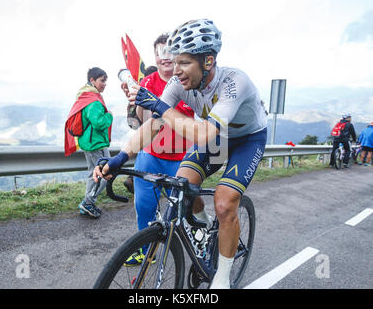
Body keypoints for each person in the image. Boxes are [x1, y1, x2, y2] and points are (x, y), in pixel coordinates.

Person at [94, 19, 268, 289]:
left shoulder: (234, 83)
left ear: (208, 61)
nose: (176, 71)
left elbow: (201, 135)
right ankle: (204, 223)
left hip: (246, 140)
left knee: (224, 203)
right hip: (217, 136)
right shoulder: (178, 83)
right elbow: (154, 124)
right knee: (183, 186)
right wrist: (121, 156)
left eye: (184, 63)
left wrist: (160, 106)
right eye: (174, 62)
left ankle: (221, 277)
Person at [121, 33, 195, 266]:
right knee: (144, 207)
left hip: (181, 157)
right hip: (150, 155)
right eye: (158, 53)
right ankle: (146, 251)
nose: (164, 58)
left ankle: (198, 245)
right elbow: (140, 124)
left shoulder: (188, 82)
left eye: (169, 52)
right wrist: (133, 104)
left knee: (183, 212)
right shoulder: (147, 82)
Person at [69, 67, 113, 218]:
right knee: (101, 176)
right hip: (94, 144)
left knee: (98, 174)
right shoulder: (93, 100)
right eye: (102, 80)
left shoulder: (89, 96)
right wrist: (110, 116)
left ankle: (88, 203)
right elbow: (99, 123)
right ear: (92, 80)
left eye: (105, 80)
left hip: (94, 142)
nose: (104, 84)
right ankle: (88, 203)